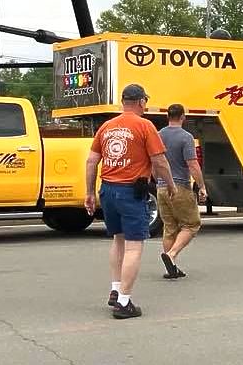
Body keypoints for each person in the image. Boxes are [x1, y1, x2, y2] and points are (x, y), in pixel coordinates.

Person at [86, 83, 176, 319]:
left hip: (107, 189)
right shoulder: (145, 126)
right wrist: (171, 184)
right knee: (135, 245)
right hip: (131, 191)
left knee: (118, 240)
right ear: (141, 102)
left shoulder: (106, 127)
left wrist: (89, 192)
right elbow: (159, 161)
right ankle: (124, 302)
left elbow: (91, 161)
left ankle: (115, 289)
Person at [157, 103, 208, 279]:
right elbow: (192, 164)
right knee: (192, 224)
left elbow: (154, 161)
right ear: (183, 117)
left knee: (170, 226)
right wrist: (201, 186)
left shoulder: (158, 135)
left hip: (161, 187)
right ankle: (171, 255)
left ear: (167, 116)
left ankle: (171, 267)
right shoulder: (186, 137)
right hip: (179, 186)